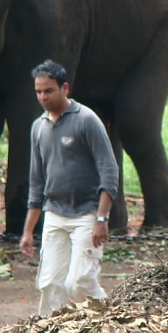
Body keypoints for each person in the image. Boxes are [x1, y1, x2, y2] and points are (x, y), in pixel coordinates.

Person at [20, 59, 119, 315]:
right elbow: (36, 182)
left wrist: (101, 217)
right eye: (38, 91)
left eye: (48, 91)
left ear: (65, 88)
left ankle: (108, 319)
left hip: (86, 214)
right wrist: (28, 231)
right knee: (50, 284)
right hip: (54, 214)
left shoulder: (86, 120)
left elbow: (109, 170)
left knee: (78, 283)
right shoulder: (38, 128)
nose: (42, 97)